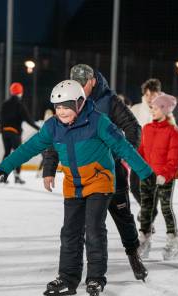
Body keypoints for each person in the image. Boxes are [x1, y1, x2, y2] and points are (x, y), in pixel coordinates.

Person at [0, 80, 154, 296]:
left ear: (79, 103)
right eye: (57, 107)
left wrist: (145, 172)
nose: (61, 112)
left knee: (94, 229)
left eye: (66, 107)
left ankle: (96, 277)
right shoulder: (53, 127)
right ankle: (68, 279)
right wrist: (6, 166)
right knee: (69, 232)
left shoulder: (98, 122)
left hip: (100, 180)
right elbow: (30, 147)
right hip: (73, 184)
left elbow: (122, 147)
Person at [42, 64, 148, 280]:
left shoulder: (110, 101)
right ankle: (74, 272)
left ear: (92, 81)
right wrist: (49, 167)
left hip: (111, 172)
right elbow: (56, 135)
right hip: (81, 176)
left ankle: (133, 255)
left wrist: (117, 155)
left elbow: (133, 127)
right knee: (77, 225)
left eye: (83, 84)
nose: (78, 88)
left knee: (123, 217)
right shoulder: (69, 100)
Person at [137, 94, 178, 260]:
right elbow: (141, 152)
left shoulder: (173, 132)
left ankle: (173, 239)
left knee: (165, 208)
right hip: (147, 176)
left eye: (155, 108)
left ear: (165, 110)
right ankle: (144, 239)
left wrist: (165, 174)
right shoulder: (146, 129)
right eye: (152, 108)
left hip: (165, 178)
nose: (152, 111)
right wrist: (137, 166)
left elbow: (174, 158)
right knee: (146, 209)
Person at [0, 82, 40, 184]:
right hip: (14, 133)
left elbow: (1, 118)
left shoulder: (5, 104)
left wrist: (1, 129)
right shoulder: (19, 105)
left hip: (5, 132)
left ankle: (3, 176)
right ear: (21, 92)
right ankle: (17, 176)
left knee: (7, 153)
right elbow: (28, 120)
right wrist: (39, 128)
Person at [130, 79, 162, 204]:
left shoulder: (163, 112)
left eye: (153, 95)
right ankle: (147, 210)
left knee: (152, 188)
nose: (149, 98)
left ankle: (148, 213)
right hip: (138, 155)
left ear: (158, 94)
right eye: (147, 95)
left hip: (155, 157)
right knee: (134, 187)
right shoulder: (136, 109)